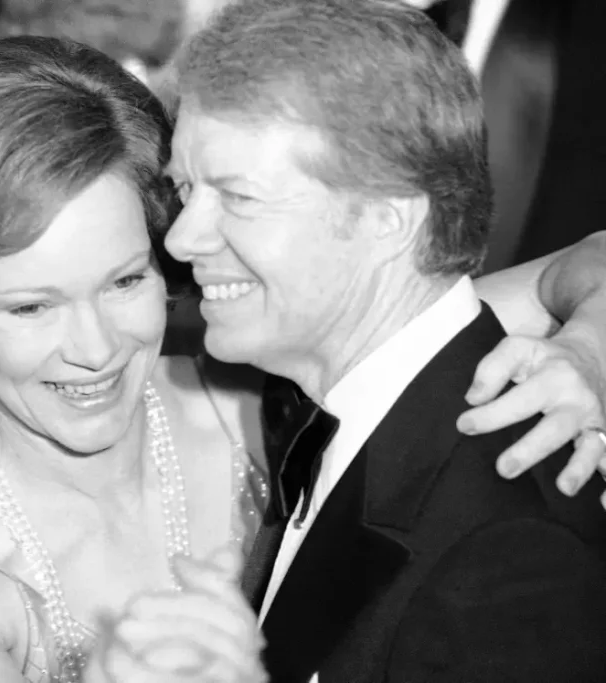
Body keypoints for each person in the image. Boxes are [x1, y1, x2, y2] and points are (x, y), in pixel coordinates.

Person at [0, 35, 606, 683]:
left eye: (124, 280)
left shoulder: (248, 370)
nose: (97, 348)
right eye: (32, 307)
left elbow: (573, 266)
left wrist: (586, 350)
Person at [152, 0, 606, 680]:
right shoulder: (367, 416)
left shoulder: (509, 551)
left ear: (390, 220)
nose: (182, 237)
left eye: (237, 196)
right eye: (186, 190)